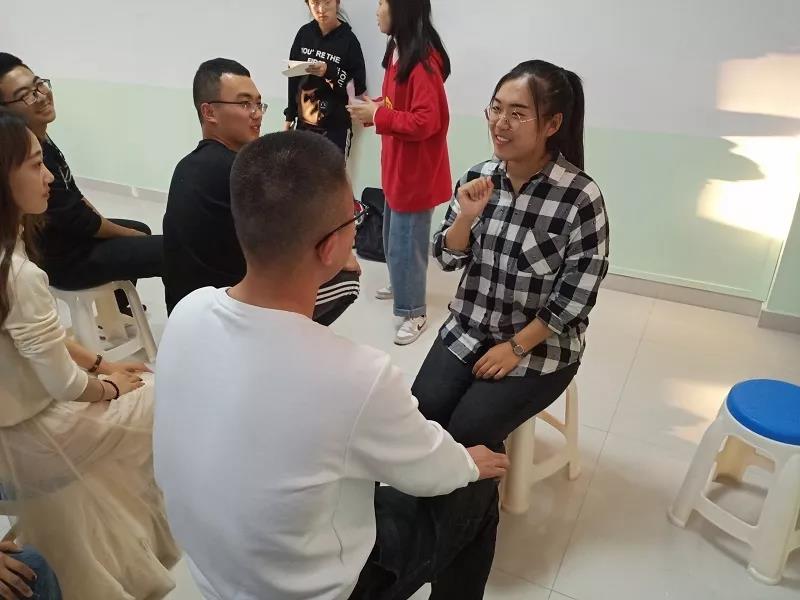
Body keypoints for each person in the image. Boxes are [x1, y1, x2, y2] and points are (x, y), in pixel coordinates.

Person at [154, 130, 509, 600]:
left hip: (213, 575)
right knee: (476, 491)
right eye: (354, 217)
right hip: (307, 591)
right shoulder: (357, 376)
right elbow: (428, 472)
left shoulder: (189, 311)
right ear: (329, 248)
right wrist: (468, 463)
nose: (357, 227)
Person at [0, 107, 180, 599]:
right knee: (159, 394)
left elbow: (42, 339)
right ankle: (143, 550)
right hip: (27, 436)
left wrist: (103, 363)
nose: (48, 178)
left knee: (99, 467)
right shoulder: (18, 274)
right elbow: (62, 383)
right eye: (35, 166)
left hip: (21, 425)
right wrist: (109, 387)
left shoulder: (13, 260)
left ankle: (108, 566)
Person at [413, 60, 610, 451]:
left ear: (552, 124)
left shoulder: (579, 197)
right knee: (419, 415)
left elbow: (576, 298)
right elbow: (447, 259)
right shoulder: (478, 178)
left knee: (469, 431)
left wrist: (516, 347)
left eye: (518, 114)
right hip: (468, 329)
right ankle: (420, 487)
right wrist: (465, 218)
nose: (500, 123)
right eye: (496, 108)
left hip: (540, 347)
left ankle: (473, 492)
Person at [164, 58, 360, 322]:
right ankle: (288, 337)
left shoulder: (187, 165)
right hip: (228, 316)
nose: (256, 113)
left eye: (258, 104)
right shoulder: (241, 173)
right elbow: (292, 241)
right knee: (347, 277)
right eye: (244, 104)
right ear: (209, 112)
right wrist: (342, 254)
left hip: (186, 311)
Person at [0, 53, 162, 313]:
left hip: (72, 239)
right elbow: (79, 220)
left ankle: (116, 312)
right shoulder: (22, 159)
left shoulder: (42, 140)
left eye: (38, 84)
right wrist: (128, 235)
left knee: (139, 229)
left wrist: (118, 228)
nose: (41, 96)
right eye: (25, 95)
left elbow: (73, 196)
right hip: (63, 260)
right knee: (167, 250)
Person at [347, 0, 451, 345]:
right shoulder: (399, 52)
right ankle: (401, 282)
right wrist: (374, 106)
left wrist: (377, 115)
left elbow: (426, 120)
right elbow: (397, 105)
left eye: (382, 3)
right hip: (397, 166)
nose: (377, 11)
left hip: (415, 173)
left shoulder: (422, 62)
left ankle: (413, 310)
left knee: (408, 245)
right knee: (394, 236)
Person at [284, 0, 367, 157]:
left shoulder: (349, 41)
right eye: (315, 3)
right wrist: (290, 115)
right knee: (299, 171)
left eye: (327, 2)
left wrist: (330, 71)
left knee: (331, 173)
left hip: (335, 127)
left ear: (337, 3)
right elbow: (293, 78)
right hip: (303, 124)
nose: (321, 9)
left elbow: (358, 86)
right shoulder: (304, 34)